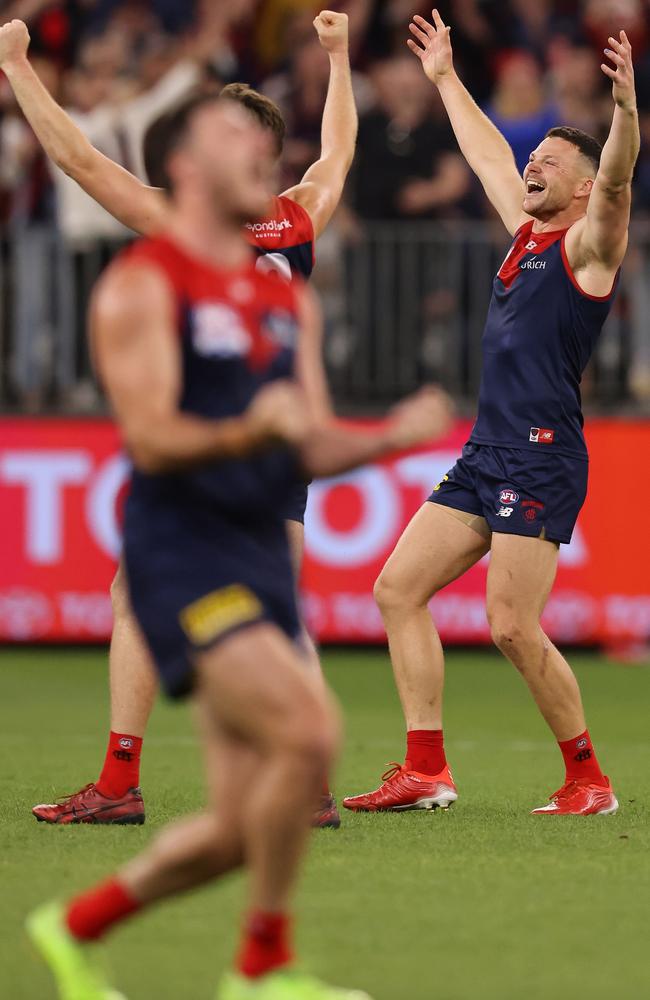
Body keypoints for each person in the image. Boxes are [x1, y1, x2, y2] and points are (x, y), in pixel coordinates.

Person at [26, 92, 452, 1000]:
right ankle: (260, 961)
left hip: (257, 532)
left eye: (261, 136)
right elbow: (149, 439)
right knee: (308, 730)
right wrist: (247, 433)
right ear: (184, 168)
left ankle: (83, 931)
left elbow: (309, 439)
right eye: (231, 134)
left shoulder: (278, 295)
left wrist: (389, 438)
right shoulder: (146, 279)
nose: (257, 148)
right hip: (183, 541)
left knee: (239, 819)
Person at [0, 10, 357, 828]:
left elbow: (77, 159)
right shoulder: (296, 219)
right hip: (280, 435)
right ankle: (305, 785)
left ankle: (122, 783)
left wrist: (19, 68)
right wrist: (338, 58)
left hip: (213, 434)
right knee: (273, 609)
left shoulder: (187, 224)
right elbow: (338, 151)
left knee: (139, 594)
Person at [343, 10, 639, 817]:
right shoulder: (524, 232)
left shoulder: (587, 247)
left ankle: (589, 781)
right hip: (488, 450)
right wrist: (443, 78)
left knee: (512, 625)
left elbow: (615, 182)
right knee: (398, 589)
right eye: (534, 157)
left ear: (580, 189)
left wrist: (626, 114)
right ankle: (425, 769)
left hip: (542, 453)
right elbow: (484, 152)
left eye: (549, 163)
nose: (531, 167)